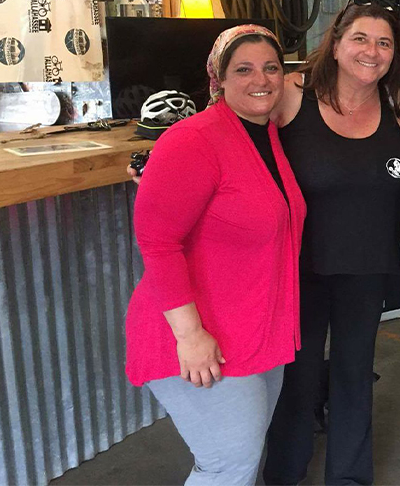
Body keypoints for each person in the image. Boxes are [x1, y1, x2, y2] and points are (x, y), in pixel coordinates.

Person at [124, 25, 306, 486]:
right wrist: (190, 336)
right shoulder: (195, 138)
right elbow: (158, 242)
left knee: (241, 460)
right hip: (198, 335)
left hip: (253, 330)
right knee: (228, 465)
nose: (260, 79)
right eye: (243, 69)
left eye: (271, 68)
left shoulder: (266, 135)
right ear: (218, 78)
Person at [262, 0, 400, 486]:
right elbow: (231, 135)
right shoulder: (291, 93)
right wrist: (167, 164)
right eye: (361, 38)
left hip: (366, 267)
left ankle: (349, 478)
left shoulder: (395, 103)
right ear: (337, 41)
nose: (372, 51)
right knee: (298, 378)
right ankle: (284, 475)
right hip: (300, 266)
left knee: (353, 376)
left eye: (384, 43)